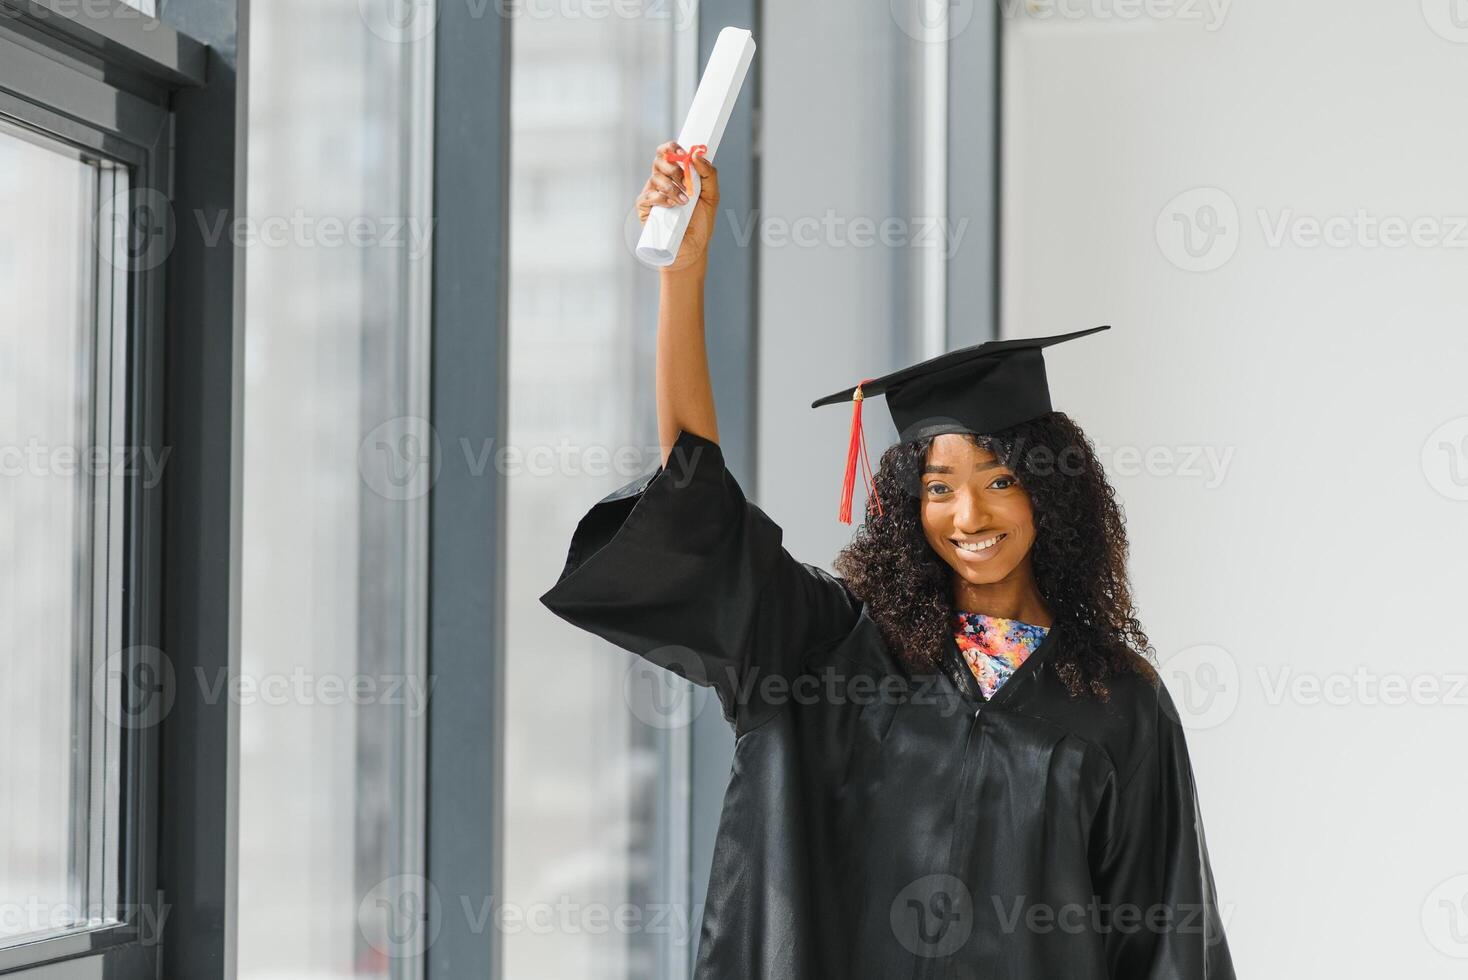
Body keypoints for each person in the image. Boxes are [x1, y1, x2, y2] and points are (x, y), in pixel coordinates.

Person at [540, 142, 1237, 979]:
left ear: (1054, 495)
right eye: (939, 488)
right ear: (908, 506)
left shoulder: (1121, 704)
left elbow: (1169, 949)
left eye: (1000, 479)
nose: (968, 514)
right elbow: (697, 498)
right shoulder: (825, 653)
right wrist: (681, 276)